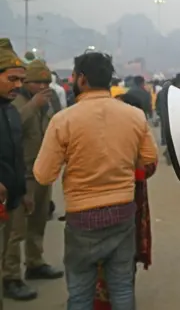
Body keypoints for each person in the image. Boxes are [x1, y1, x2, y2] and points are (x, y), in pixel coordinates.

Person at [32, 52, 158, 310]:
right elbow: (148, 162)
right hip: (123, 212)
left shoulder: (63, 120)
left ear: (81, 79)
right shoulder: (134, 116)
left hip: (82, 217)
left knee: (80, 293)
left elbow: (43, 175)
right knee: (122, 287)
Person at [4, 59, 64, 301]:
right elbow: (12, 128)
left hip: (42, 172)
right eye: (37, 82)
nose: (42, 86)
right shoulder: (14, 103)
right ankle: (10, 276)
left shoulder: (46, 104)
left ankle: (35, 262)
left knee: (39, 221)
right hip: (21, 175)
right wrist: (32, 105)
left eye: (46, 82)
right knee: (15, 230)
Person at [94, 93, 156, 310]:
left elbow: (148, 166)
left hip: (124, 208)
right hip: (112, 207)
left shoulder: (135, 137)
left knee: (119, 263)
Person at [0, 38, 32, 309]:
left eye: (21, 80)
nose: (18, 86)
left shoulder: (10, 112)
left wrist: (22, 191)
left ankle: (10, 279)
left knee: (11, 241)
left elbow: (16, 155)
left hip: (11, 197)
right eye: (12, 79)